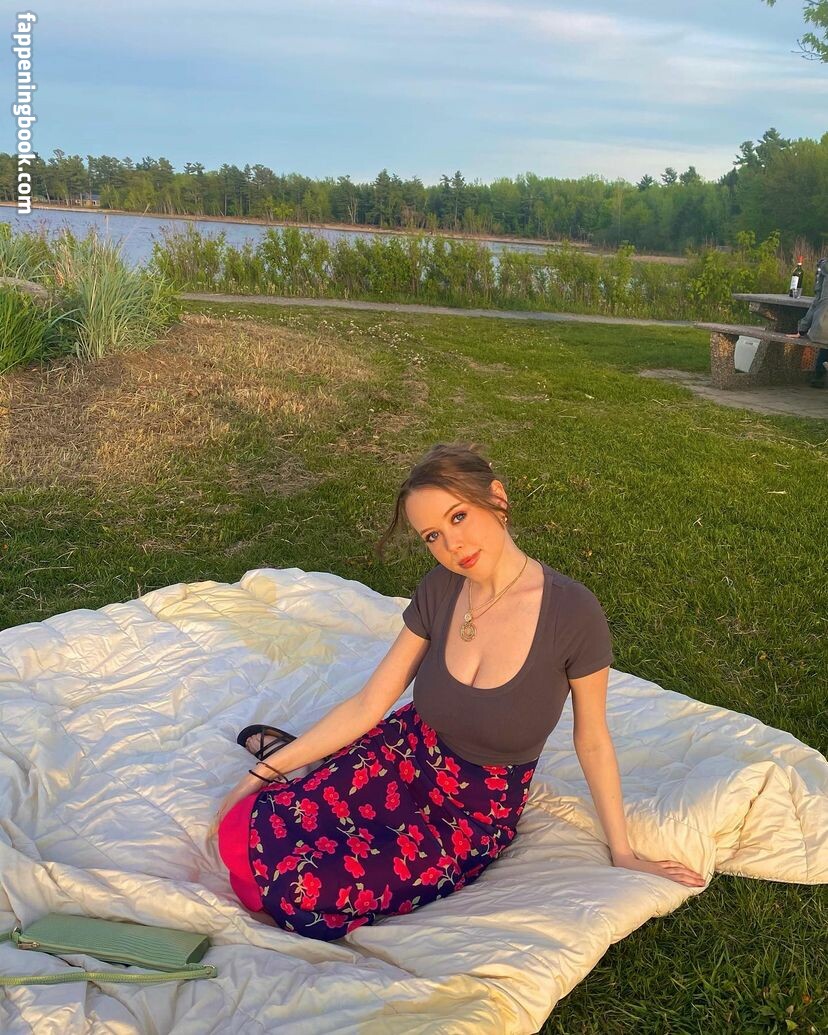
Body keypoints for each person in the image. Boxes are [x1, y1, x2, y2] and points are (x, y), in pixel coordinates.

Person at [214, 443, 705, 941]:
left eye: (458, 516)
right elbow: (369, 703)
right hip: (401, 756)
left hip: (466, 815)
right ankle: (296, 758)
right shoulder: (442, 588)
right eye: (433, 535)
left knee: (302, 891)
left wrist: (622, 851)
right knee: (239, 829)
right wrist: (258, 776)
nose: (453, 545)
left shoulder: (572, 613)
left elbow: (593, 740)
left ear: (497, 498)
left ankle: (306, 763)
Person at [787, 257, 828, 388]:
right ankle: (820, 372)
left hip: (822, 329)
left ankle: (819, 374)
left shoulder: (823, 267)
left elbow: (816, 302)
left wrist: (802, 329)